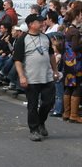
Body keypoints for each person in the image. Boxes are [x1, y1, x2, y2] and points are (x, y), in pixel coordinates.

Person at [13, 14, 60, 142]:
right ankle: (34, 130)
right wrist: (22, 76)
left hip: (47, 77)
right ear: (31, 24)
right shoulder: (23, 39)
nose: (42, 23)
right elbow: (17, 60)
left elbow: (51, 55)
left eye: (42, 21)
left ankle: (41, 122)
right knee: (32, 105)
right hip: (31, 78)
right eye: (39, 22)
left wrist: (55, 70)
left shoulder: (45, 37)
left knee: (48, 102)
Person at [61, 8, 82, 123]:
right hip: (76, 62)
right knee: (78, 86)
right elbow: (75, 47)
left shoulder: (68, 29)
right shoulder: (75, 31)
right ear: (77, 16)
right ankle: (74, 115)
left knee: (69, 86)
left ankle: (66, 113)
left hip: (68, 61)